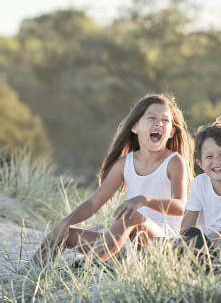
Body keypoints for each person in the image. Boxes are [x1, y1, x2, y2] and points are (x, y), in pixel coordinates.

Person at [32, 93, 194, 266]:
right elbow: (94, 203)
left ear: (172, 132)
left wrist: (144, 200)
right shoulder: (125, 164)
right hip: (124, 246)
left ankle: (87, 266)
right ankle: (30, 274)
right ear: (135, 127)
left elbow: (180, 206)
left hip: (161, 243)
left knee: (131, 216)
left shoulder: (174, 162)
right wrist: (65, 222)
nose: (158, 123)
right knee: (64, 232)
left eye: (165, 120)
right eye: (151, 118)